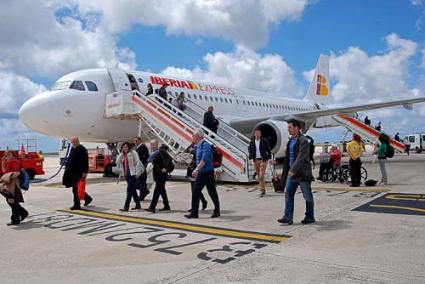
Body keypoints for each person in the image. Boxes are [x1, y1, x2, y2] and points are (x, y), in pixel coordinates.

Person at [278, 119, 314, 225]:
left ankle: (310, 216)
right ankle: (287, 217)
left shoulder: (303, 140)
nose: (288, 129)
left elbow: (302, 157)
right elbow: (289, 156)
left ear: (296, 128)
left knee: (307, 197)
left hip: (302, 173)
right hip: (291, 173)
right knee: (288, 195)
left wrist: (293, 170)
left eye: (290, 127)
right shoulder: (290, 140)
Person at [185, 129, 221, 219]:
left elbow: (204, 160)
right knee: (195, 191)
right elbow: (194, 158)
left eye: (193, 135)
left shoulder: (206, 146)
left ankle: (217, 210)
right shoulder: (197, 146)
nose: (192, 137)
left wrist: (196, 170)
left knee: (211, 192)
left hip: (208, 172)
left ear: (198, 136)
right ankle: (194, 213)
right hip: (201, 173)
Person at [62, 137, 93, 210]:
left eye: (76, 141)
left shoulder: (82, 149)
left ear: (78, 141)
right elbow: (70, 159)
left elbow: (85, 162)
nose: (75, 143)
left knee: (75, 188)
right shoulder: (72, 148)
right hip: (72, 172)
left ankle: (77, 204)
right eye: (73, 142)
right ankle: (87, 198)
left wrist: (85, 172)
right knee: (76, 187)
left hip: (79, 172)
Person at [1, 151, 28, 225]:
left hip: (13, 184)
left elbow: (17, 172)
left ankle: (16, 219)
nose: (7, 156)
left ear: (13, 155)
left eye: (9, 155)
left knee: (12, 201)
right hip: (10, 184)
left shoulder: (13, 162)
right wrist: (3, 162)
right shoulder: (8, 162)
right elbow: (4, 171)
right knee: (11, 202)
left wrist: (8, 176)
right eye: (6, 155)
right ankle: (23, 213)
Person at [116, 142, 144, 211]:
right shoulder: (123, 155)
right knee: (133, 190)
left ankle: (126, 206)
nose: (125, 148)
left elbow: (138, 162)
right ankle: (138, 204)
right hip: (127, 175)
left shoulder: (133, 153)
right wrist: (121, 154)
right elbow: (117, 162)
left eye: (126, 147)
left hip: (133, 174)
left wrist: (137, 173)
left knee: (129, 191)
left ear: (129, 147)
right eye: (123, 147)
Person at [145, 143, 172, 213]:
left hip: (161, 175)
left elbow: (170, 164)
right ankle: (167, 206)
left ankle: (152, 207)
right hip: (159, 175)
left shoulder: (161, 153)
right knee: (162, 190)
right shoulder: (162, 154)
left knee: (157, 190)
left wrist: (165, 168)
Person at [248, 128, 271, 196]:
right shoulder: (252, 142)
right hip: (256, 160)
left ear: (260, 134)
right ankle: (262, 189)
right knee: (259, 175)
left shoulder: (264, 141)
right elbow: (250, 151)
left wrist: (269, 158)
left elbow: (268, 149)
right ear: (254, 134)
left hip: (263, 160)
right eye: (256, 133)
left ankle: (262, 190)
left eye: (259, 133)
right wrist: (251, 158)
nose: (258, 134)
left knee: (261, 175)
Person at [185, 142, 208, 211]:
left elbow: (200, 155)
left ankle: (194, 207)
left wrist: (193, 151)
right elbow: (185, 152)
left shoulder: (201, 145)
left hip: (197, 169)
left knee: (195, 189)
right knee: (194, 190)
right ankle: (203, 201)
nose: (193, 138)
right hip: (191, 169)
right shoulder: (192, 145)